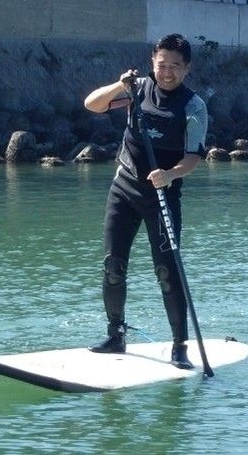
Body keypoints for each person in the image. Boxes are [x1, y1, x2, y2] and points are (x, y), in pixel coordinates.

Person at [83, 33, 208, 368]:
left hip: (162, 196)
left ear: (187, 68)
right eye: (162, 64)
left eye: (175, 67)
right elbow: (91, 104)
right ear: (153, 61)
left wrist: (170, 174)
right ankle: (115, 336)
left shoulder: (193, 106)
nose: (167, 72)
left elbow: (193, 158)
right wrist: (119, 86)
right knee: (113, 267)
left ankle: (179, 346)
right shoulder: (136, 88)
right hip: (124, 188)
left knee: (167, 271)